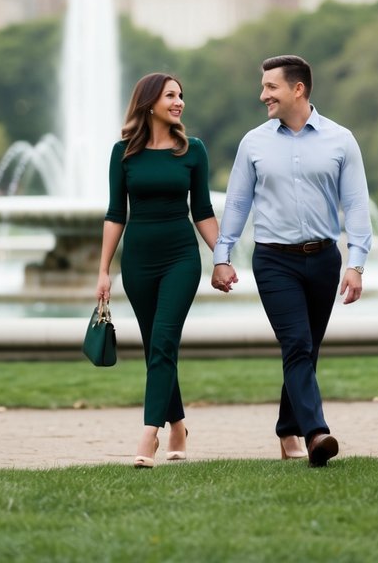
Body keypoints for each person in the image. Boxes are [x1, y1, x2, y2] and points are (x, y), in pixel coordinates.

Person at [211, 55, 372, 468]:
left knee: (305, 348)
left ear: (297, 89)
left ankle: (286, 430)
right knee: (297, 343)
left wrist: (356, 263)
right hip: (273, 261)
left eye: (271, 87)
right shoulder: (254, 143)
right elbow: (237, 203)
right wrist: (222, 256)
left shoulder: (341, 140)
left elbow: (355, 205)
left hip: (323, 260)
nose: (263, 94)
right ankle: (316, 432)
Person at [97, 73, 220, 469]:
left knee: (164, 341)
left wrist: (223, 256)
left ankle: (149, 435)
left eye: (181, 95)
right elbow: (116, 214)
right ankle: (179, 425)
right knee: (155, 347)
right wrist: (103, 271)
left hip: (181, 258)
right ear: (150, 102)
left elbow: (202, 211)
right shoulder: (123, 153)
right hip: (137, 262)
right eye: (171, 95)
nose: (179, 101)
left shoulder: (193, 150)